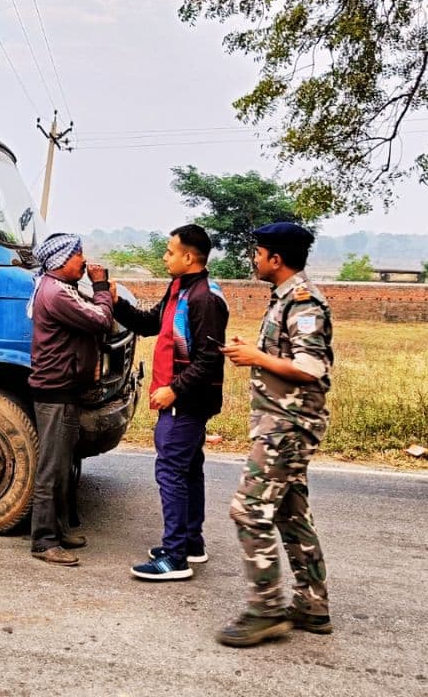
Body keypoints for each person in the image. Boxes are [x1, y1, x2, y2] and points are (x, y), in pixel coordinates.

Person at [216, 221, 335, 646]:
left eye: (258, 253)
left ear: (276, 259)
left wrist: (254, 357)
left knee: (249, 510)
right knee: (290, 513)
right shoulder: (285, 298)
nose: (254, 259)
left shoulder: (303, 302)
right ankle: (312, 605)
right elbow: (287, 355)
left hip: (288, 426)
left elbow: (309, 367)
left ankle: (265, 610)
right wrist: (256, 352)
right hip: (281, 422)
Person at [111, 224, 228, 581]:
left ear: (189, 257)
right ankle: (191, 543)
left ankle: (175, 557)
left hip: (186, 401)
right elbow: (150, 324)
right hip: (178, 398)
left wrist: (174, 390)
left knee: (171, 472)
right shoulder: (180, 288)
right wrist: (116, 303)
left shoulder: (204, 298)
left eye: (170, 252)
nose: (165, 257)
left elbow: (209, 360)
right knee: (188, 470)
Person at [27, 232, 114, 566]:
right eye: (79, 254)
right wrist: (102, 287)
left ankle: (58, 530)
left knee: (63, 466)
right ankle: (43, 541)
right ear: (62, 259)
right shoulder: (57, 293)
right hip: (56, 391)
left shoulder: (61, 288)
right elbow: (101, 320)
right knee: (52, 468)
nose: (84, 260)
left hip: (63, 389)